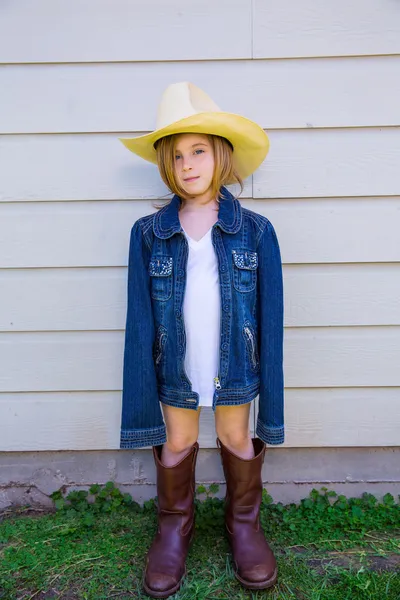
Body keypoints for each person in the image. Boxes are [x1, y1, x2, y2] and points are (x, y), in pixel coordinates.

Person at [118, 81, 284, 598]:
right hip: (177, 364)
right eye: (177, 155)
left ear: (221, 156)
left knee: (236, 437)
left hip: (235, 361)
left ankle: (243, 525)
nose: (188, 164)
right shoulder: (149, 233)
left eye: (199, 151)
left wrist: (270, 392)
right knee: (179, 441)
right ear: (166, 164)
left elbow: (271, 318)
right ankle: (175, 527)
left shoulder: (255, 230)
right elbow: (141, 319)